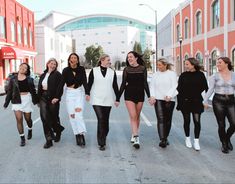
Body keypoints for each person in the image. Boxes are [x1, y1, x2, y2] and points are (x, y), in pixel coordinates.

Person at [87, 54, 119, 151]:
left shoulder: (112, 72)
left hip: (108, 99)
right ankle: (102, 143)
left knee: (105, 120)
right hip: (96, 99)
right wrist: (87, 93)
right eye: (108, 60)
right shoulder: (94, 71)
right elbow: (90, 83)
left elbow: (115, 86)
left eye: (109, 60)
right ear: (102, 60)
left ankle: (103, 134)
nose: (110, 61)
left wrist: (117, 98)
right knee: (101, 118)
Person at [118, 51, 150, 149]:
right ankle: (136, 138)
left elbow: (145, 83)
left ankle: (134, 132)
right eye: (128, 57)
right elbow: (123, 84)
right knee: (133, 115)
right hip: (129, 95)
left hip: (140, 94)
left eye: (131, 57)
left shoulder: (143, 68)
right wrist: (117, 98)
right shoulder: (126, 69)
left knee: (137, 115)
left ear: (136, 58)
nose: (129, 59)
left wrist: (149, 96)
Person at [204, 57, 235, 154]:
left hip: (231, 100)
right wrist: (205, 100)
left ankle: (227, 138)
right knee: (221, 124)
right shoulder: (214, 76)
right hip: (218, 101)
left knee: (234, 123)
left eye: (220, 62)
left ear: (227, 64)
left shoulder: (234, 75)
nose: (217, 64)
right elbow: (211, 89)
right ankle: (224, 144)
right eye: (217, 63)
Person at [176, 57, 208, 151]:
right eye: (185, 64)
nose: (185, 66)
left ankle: (196, 140)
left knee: (197, 121)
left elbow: (206, 88)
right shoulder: (183, 75)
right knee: (187, 121)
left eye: (187, 64)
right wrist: (179, 103)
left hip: (197, 101)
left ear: (193, 65)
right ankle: (187, 138)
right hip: (185, 101)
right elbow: (179, 90)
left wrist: (205, 101)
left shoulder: (201, 75)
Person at [3, 63, 38, 146]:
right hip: (16, 100)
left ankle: (30, 128)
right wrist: (6, 103)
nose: (23, 68)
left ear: (26, 71)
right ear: (19, 67)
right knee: (19, 119)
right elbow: (10, 91)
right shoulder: (12, 79)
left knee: (28, 119)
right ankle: (22, 138)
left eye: (25, 68)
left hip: (27, 99)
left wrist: (36, 101)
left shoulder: (29, 79)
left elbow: (33, 91)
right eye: (22, 66)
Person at [149, 58, 178, 148]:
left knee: (168, 119)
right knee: (161, 119)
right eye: (157, 65)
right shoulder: (155, 75)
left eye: (160, 65)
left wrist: (169, 95)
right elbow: (152, 86)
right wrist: (152, 96)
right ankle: (163, 139)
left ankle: (166, 137)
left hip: (169, 99)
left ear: (165, 65)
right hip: (158, 99)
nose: (158, 67)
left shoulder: (172, 74)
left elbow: (175, 85)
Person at [62, 53, 89, 147]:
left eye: (75, 58)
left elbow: (85, 81)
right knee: (72, 116)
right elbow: (62, 83)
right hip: (69, 93)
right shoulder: (65, 70)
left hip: (79, 93)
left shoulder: (81, 69)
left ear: (77, 60)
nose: (73, 59)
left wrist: (87, 93)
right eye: (71, 58)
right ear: (69, 60)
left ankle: (82, 134)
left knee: (78, 114)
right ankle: (76, 134)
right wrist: (57, 96)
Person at [37, 58, 65, 149]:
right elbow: (40, 88)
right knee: (44, 118)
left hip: (53, 97)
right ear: (47, 64)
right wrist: (38, 100)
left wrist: (57, 97)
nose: (53, 65)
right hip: (43, 97)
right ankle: (49, 140)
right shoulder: (43, 75)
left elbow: (60, 87)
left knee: (54, 116)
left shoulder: (58, 75)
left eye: (54, 64)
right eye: (51, 63)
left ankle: (58, 131)